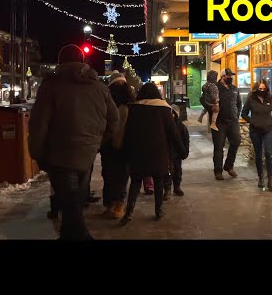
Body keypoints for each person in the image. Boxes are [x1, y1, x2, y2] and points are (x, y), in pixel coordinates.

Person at [28, 44, 120, 240]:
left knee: (69, 201)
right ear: (83, 62)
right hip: (87, 154)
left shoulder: (50, 86)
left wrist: (37, 152)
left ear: (60, 62)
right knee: (75, 200)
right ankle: (67, 234)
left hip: (59, 152)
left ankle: (81, 235)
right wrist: (98, 141)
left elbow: (38, 123)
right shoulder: (99, 87)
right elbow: (114, 120)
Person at [120, 83, 184, 225]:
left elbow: (128, 132)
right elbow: (173, 132)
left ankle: (129, 212)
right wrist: (182, 150)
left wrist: (125, 152)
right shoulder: (164, 108)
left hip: (138, 151)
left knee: (135, 181)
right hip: (158, 152)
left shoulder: (134, 108)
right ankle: (158, 210)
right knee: (158, 180)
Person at [101, 71, 134, 219]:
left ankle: (117, 204)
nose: (120, 86)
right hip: (114, 145)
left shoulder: (126, 105)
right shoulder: (128, 104)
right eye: (117, 84)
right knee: (111, 175)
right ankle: (113, 204)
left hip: (118, 145)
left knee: (116, 176)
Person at [241, 79, 272, 190]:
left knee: (268, 152)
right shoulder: (251, 98)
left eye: (264, 88)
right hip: (255, 130)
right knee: (258, 153)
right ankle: (261, 177)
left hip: (267, 129)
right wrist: (252, 121)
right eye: (260, 89)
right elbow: (244, 113)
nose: (262, 90)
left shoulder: (270, 98)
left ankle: (270, 178)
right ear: (256, 89)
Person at [212, 68, 242, 181]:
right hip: (219, 122)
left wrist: (236, 115)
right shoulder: (215, 88)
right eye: (228, 76)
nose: (230, 78)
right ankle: (218, 171)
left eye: (231, 76)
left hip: (233, 121)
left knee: (236, 141)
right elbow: (204, 99)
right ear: (223, 76)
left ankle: (229, 166)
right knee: (219, 146)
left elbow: (239, 104)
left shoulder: (234, 89)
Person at [170, 104, 190, 196]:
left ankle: (177, 186)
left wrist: (185, 152)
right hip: (168, 153)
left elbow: (186, 140)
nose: (171, 115)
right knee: (168, 171)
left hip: (177, 153)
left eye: (173, 113)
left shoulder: (181, 127)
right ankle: (167, 188)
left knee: (177, 170)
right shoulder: (166, 125)